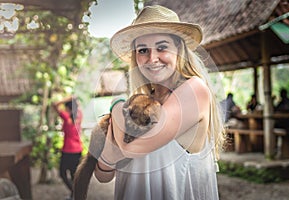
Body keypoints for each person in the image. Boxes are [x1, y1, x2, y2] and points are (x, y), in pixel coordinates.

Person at [93, 5, 225, 200]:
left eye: (162, 47)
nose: (152, 58)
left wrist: (117, 108)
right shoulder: (144, 103)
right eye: (143, 50)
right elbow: (103, 174)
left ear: (179, 50)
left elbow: (131, 149)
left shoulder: (195, 90)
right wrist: (109, 157)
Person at [53, 96, 83, 200]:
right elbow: (78, 105)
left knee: (62, 173)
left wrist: (67, 99)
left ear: (68, 108)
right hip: (78, 150)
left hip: (68, 150)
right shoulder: (79, 115)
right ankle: (74, 195)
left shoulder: (66, 117)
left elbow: (55, 105)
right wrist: (73, 100)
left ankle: (74, 193)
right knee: (73, 174)